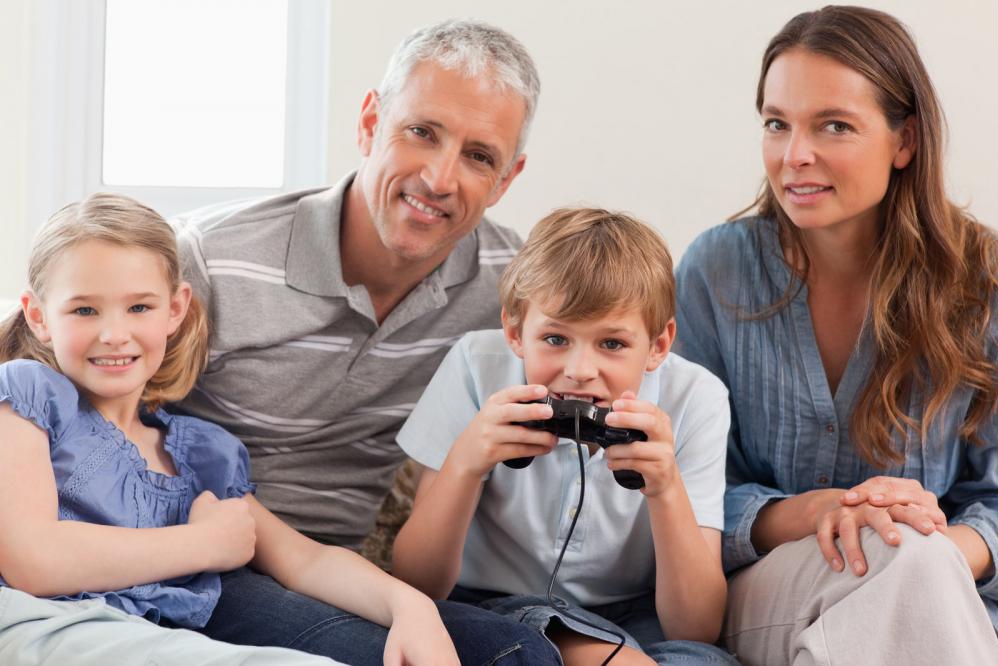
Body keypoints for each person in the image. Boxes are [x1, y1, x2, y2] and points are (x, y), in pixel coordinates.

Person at [169, 19, 558, 664]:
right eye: (421, 132)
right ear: (370, 121)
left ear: (506, 179)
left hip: (351, 573)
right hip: (211, 558)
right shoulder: (210, 260)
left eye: (478, 156)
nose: (439, 177)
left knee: (523, 653)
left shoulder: (509, 287)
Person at [0, 193, 462, 665]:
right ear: (39, 316)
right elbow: (34, 560)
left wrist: (408, 604)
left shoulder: (199, 453)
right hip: (47, 631)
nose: (114, 333)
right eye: (84, 310)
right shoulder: (29, 396)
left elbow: (305, 560)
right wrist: (204, 544)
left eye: (139, 308)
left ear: (175, 310)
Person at [673, 6, 998, 665]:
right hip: (770, 593)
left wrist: (925, 546)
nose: (795, 155)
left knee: (903, 561)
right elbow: (685, 490)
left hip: (942, 584)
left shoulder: (981, 283)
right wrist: (819, 511)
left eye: (833, 126)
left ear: (904, 141)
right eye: (776, 123)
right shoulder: (717, 270)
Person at [392, 208, 739, 665]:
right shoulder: (475, 366)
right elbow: (417, 584)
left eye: (612, 344)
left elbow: (695, 628)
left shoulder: (697, 398)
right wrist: (466, 464)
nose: (578, 372)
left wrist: (665, 489)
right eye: (555, 339)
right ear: (515, 332)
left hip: (632, 612)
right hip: (485, 603)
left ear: (658, 346)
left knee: (706, 661)